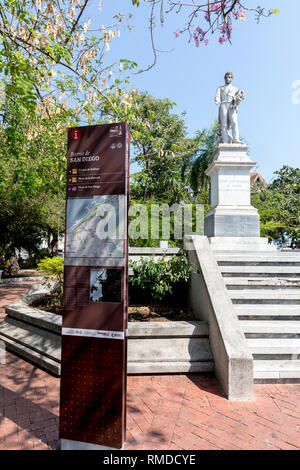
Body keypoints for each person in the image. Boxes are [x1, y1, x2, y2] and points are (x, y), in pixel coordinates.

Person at [215, 71, 245, 144]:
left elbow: (241, 96)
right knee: (223, 124)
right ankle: (225, 141)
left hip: (232, 105)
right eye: (227, 77)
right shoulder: (220, 88)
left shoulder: (235, 89)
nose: (228, 79)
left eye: (230, 77)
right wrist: (217, 100)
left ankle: (236, 139)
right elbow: (217, 96)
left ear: (231, 79)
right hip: (223, 105)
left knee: (234, 122)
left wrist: (239, 98)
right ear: (225, 78)